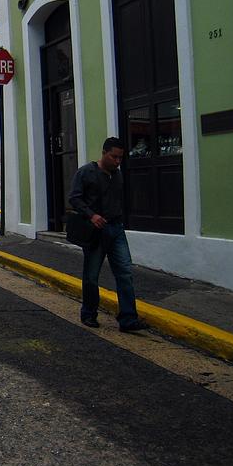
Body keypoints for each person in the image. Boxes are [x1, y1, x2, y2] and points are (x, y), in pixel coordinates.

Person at [68, 137, 149, 332]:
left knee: (125, 273)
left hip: (116, 229)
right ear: (104, 153)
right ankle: (88, 314)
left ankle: (128, 319)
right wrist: (91, 215)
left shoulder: (118, 175)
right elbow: (74, 198)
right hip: (96, 231)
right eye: (114, 157)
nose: (117, 161)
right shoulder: (86, 172)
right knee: (91, 275)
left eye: (120, 158)